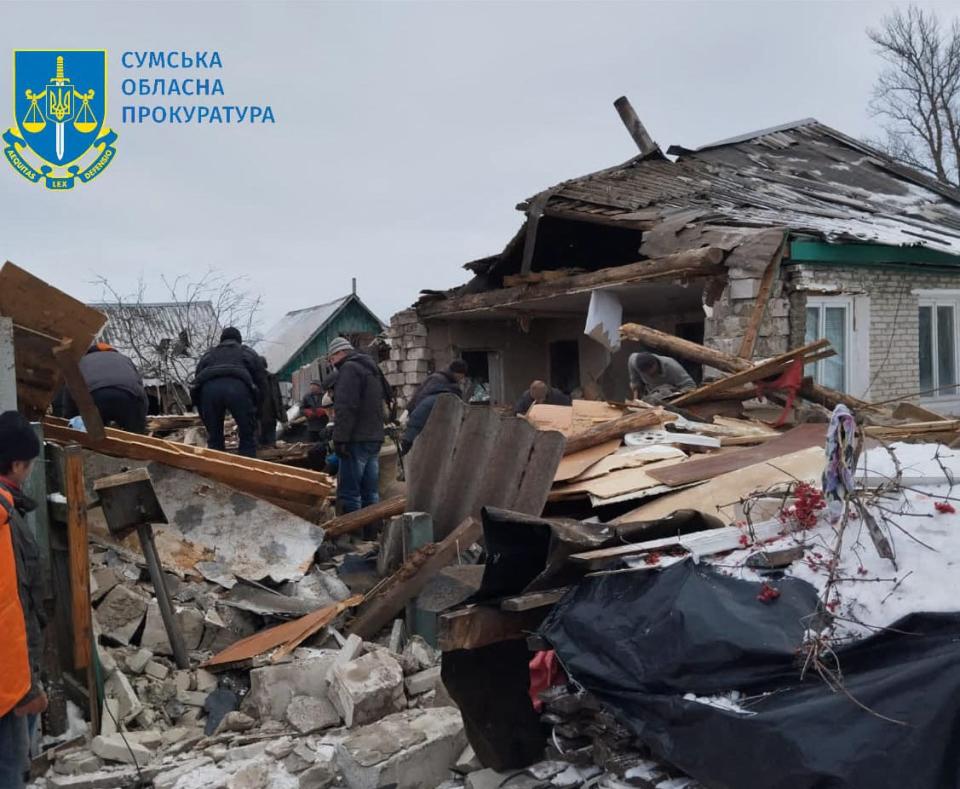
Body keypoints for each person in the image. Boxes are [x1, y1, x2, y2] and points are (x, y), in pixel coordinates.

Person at [0, 412, 46, 789]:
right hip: (8, 674)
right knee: (8, 764)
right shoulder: (4, 519)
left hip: (13, 669)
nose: (30, 471)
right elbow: (14, 604)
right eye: (29, 464)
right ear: (16, 464)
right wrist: (26, 683)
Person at [327, 337, 392, 513]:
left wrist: (340, 439)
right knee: (370, 491)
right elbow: (388, 395)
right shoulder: (371, 368)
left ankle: (351, 534)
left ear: (340, 353)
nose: (332, 363)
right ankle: (371, 532)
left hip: (356, 438)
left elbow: (346, 407)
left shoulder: (349, 369)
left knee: (350, 492)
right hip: (374, 436)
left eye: (332, 358)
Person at [191, 327, 267, 458]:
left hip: (209, 390)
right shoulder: (247, 352)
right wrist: (258, 408)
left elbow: (197, 381)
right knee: (247, 436)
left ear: (221, 340)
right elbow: (261, 381)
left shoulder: (209, 354)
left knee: (214, 437)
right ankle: (247, 470)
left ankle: (217, 470)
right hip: (238, 389)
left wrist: (200, 406)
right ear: (239, 340)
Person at [60, 343, 148, 433]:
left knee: (95, 438)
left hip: (94, 398)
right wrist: (141, 422)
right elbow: (140, 391)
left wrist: (69, 419)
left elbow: (70, 390)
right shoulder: (125, 359)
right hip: (127, 397)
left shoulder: (81, 361)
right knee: (134, 435)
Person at [400, 373, 464, 455]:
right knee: (407, 445)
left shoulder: (436, 394)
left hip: (415, 418)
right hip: (418, 422)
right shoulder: (443, 400)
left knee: (408, 443)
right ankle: (399, 461)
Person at [628, 352, 696, 402]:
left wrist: (675, 396)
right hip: (651, 394)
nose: (649, 375)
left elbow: (690, 386)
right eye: (645, 374)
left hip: (671, 395)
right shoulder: (634, 361)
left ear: (655, 364)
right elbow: (635, 382)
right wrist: (636, 400)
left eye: (651, 373)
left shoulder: (672, 366)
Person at [258, 356, 288, 448]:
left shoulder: (271, 378)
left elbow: (278, 398)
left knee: (267, 444)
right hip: (258, 419)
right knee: (262, 445)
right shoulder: (252, 379)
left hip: (268, 417)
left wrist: (283, 418)